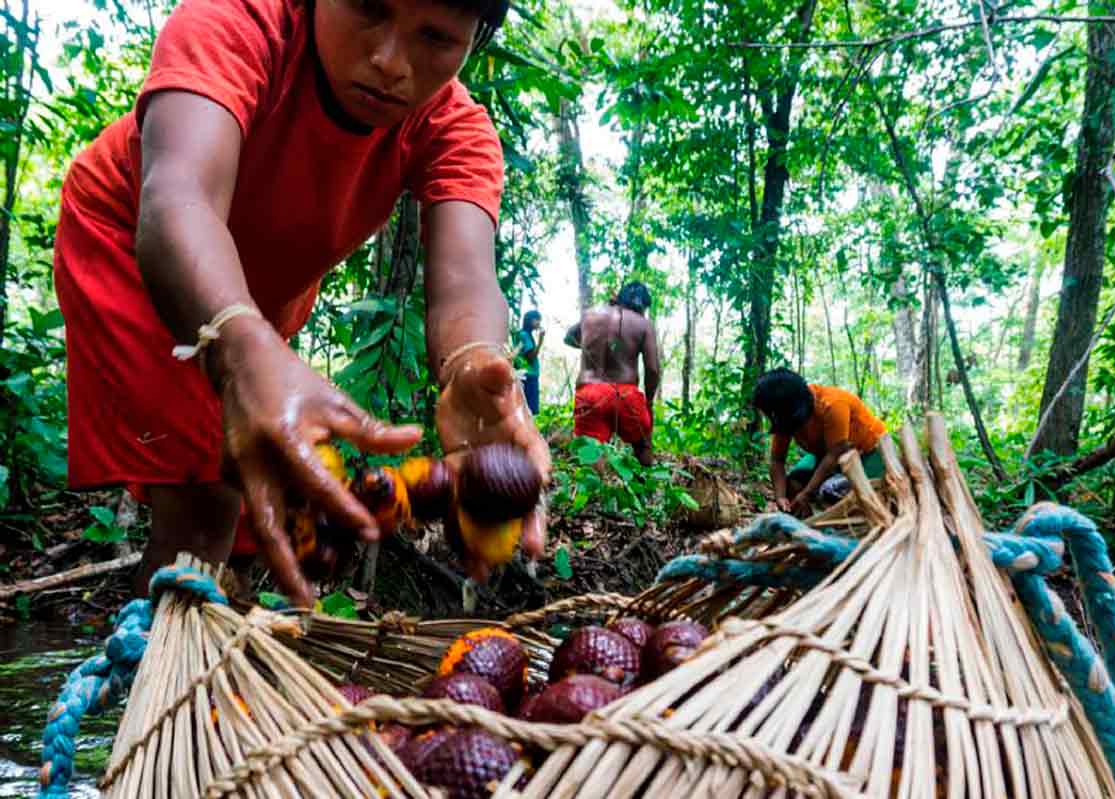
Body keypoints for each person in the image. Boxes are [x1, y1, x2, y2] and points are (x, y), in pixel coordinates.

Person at [53, 0, 550, 608]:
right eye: (368, 10)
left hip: (261, 300)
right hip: (133, 244)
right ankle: (167, 682)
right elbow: (178, 200)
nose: (390, 62)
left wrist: (474, 363)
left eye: (436, 37)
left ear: (475, 40)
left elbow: (467, 276)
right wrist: (240, 342)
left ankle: (211, 642)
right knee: (202, 508)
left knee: (248, 495)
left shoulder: (454, 129)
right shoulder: (234, 24)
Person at [751, 369, 886, 517]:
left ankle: (834, 521)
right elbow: (777, 460)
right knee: (793, 483)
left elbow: (834, 455)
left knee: (832, 492)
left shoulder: (833, 405)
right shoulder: (784, 418)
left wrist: (807, 493)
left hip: (867, 453)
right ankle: (807, 520)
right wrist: (781, 497)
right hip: (823, 455)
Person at [565, 282, 660, 466]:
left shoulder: (590, 316)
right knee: (643, 445)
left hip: (589, 392)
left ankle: (593, 491)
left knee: (590, 455)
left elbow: (569, 337)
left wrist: (590, 347)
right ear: (643, 306)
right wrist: (648, 402)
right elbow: (653, 369)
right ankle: (645, 491)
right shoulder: (643, 324)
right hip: (626, 395)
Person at [516, 309, 544, 414]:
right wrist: (541, 341)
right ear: (530, 320)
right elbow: (531, 357)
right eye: (537, 320)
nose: (539, 323)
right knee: (529, 410)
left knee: (527, 409)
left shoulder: (525, 335)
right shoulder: (524, 335)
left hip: (528, 375)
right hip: (528, 376)